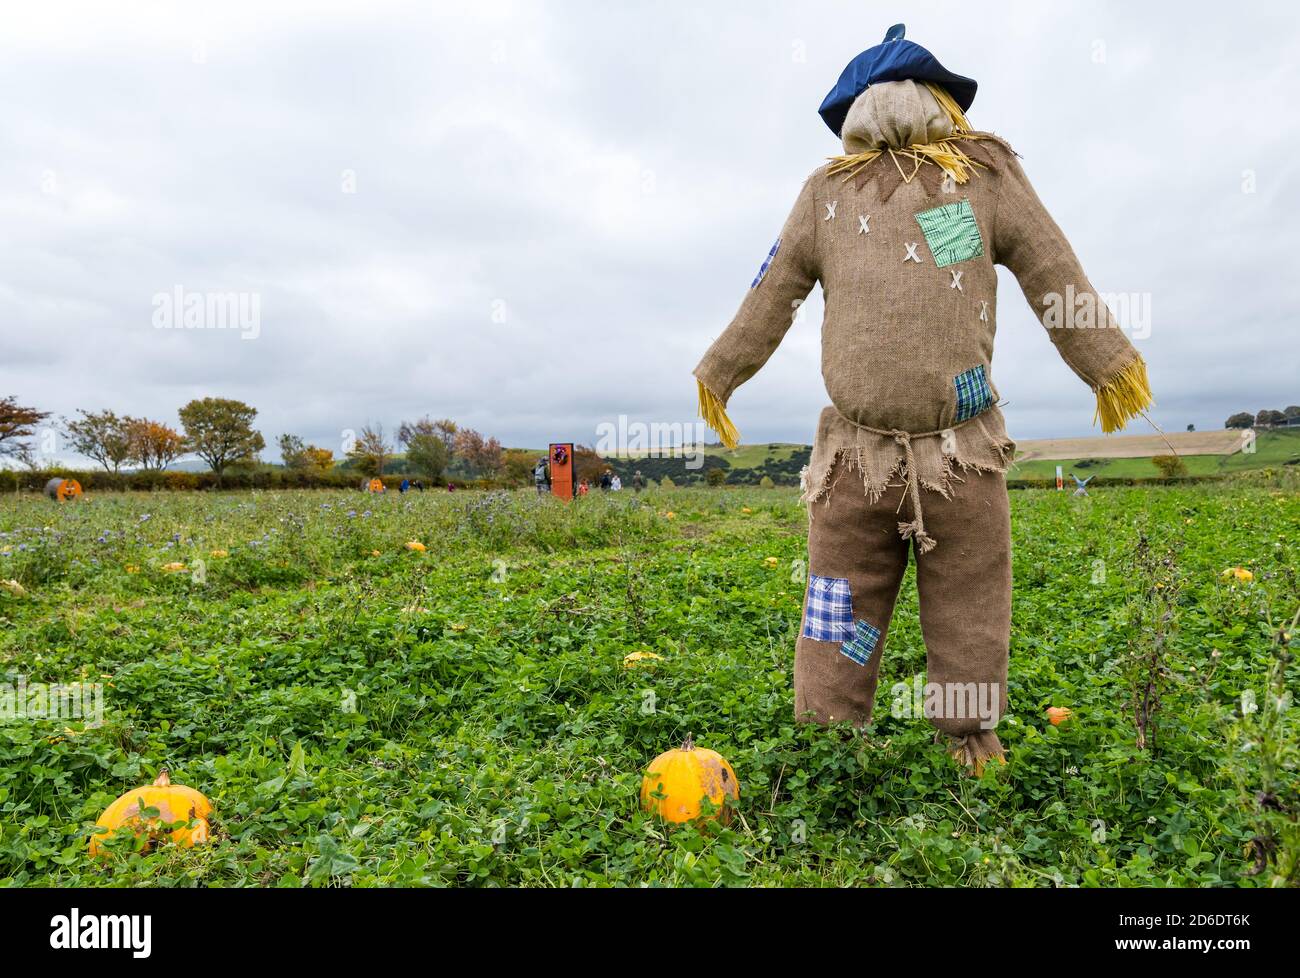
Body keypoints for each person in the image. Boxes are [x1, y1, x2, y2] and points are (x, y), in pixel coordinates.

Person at [691, 24, 1152, 774]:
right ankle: (828, 738)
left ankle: (969, 733)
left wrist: (1109, 364)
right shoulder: (827, 195)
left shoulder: (984, 177)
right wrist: (721, 370)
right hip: (853, 457)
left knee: (968, 601)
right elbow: (773, 291)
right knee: (839, 604)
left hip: (960, 453)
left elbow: (1049, 266)